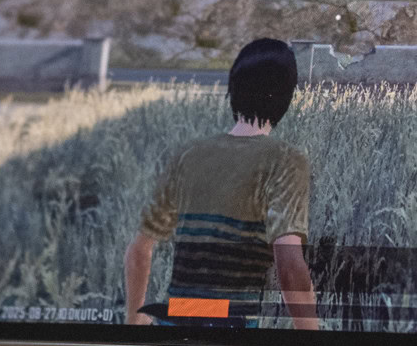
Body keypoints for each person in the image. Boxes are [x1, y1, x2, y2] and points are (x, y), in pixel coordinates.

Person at [124, 38, 321, 329]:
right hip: (232, 328)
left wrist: (134, 319)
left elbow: (139, 251)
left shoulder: (190, 155)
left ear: (234, 89)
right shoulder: (285, 160)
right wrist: (312, 339)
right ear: (285, 95)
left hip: (176, 323)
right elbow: (290, 266)